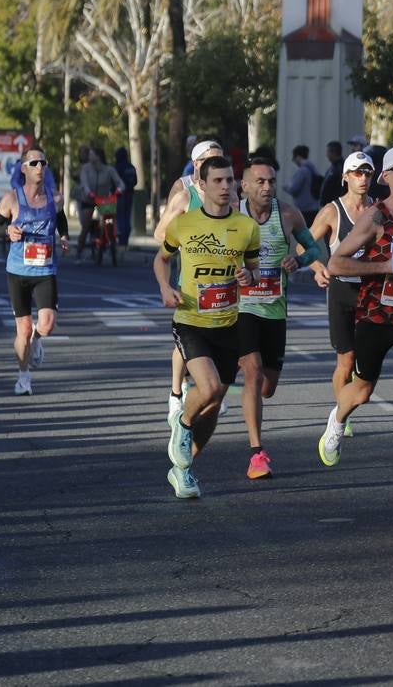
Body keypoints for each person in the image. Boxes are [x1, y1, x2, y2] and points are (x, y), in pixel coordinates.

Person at [317, 146, 393, 477]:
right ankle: (338, 418)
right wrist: (389, 265)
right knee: (362, 391)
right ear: (386, 177)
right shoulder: (375, 217)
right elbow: (336, 262)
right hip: (375, 317)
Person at [156, 155, 261, 500]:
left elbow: (254, 268)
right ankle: (183, 423)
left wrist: (249, 275)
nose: (226, 186)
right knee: (212, 388)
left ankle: (183, 471)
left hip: (228, 323)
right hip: (190, 321)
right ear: (201, 185)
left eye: (230, 180)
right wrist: (165, 287)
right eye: (217, 181)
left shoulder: (246, 227)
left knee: (214, 407)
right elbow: (162, 258)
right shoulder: (184, 224)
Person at [236, 157, 319, 479]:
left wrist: (298, 262)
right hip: (242, 308)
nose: (267, 187)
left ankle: (232, 378)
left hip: (275, 310)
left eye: (271, 181)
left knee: (267, 387)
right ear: (244, 185)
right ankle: (257, 453)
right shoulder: (233, 215)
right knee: (253, 373)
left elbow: (314, 251)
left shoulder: (288, 214)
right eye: (259, 181)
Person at [155, 139, 226, 424]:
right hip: (191, 279)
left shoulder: (227, 191)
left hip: (224, 280)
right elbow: (162, 233)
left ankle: (210, 389)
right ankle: (176, 392)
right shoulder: (183, 191)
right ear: (197, 164)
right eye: (211, 160)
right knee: (188, 334)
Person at [0, 148, 69, 396]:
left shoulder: (55, 198)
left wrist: (64, 236)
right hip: (18, 271)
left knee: (47, 325)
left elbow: (61, 218)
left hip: (45, 269)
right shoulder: (11, 199)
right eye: (34, 162)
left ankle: (36, 340)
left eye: (43, 162)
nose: (39, 167)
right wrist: (7, 232)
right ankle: (23, 377)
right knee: (21, 330)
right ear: (23, 168)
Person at [309, 150, 375, 419]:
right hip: (342, 290)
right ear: (346, 177)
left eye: (368, 173)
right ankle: (340, 417)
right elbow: (305, 242)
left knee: (367, 364)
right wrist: (317, 267)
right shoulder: (332, 211)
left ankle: (346, 406)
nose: (363, 178)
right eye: (358, 173)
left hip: (371, 291)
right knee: (346, 363)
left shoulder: (378, 210)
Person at [76, 147, 124, 257]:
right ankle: (80, 250)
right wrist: (88, 192)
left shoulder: (109, 170)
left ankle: (111, 240)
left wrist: (119, 190)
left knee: (109, 220)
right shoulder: (85, 169)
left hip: (104, 200)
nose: (89, 157)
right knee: (86, 225)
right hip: (88, 199)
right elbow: (84, 183)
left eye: (92, 154)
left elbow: (120, 183)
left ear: (99, 157)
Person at [113, 148, 138, 246]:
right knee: (127, 218)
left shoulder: (118, 167)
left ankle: (121, 240)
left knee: (120, 218)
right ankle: (125, 239)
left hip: (120, 195)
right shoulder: (131, 167)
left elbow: (114, 181)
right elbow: (135, 181)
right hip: (130, 194)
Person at [287, 145, 321, 219]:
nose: (293, 160)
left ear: (298, 157)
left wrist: (286, 187)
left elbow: (293, 189)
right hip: (314, 207)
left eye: (294, 157)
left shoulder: (302, 171)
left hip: (304, 209)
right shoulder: (313, 169)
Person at [318, 140, 345, 207]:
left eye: (327, 152)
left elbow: (342, 189)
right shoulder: (333, 167)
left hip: (335, 207)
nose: (326, 155)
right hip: (328, 206)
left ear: (333, 152)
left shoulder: (341, 168)